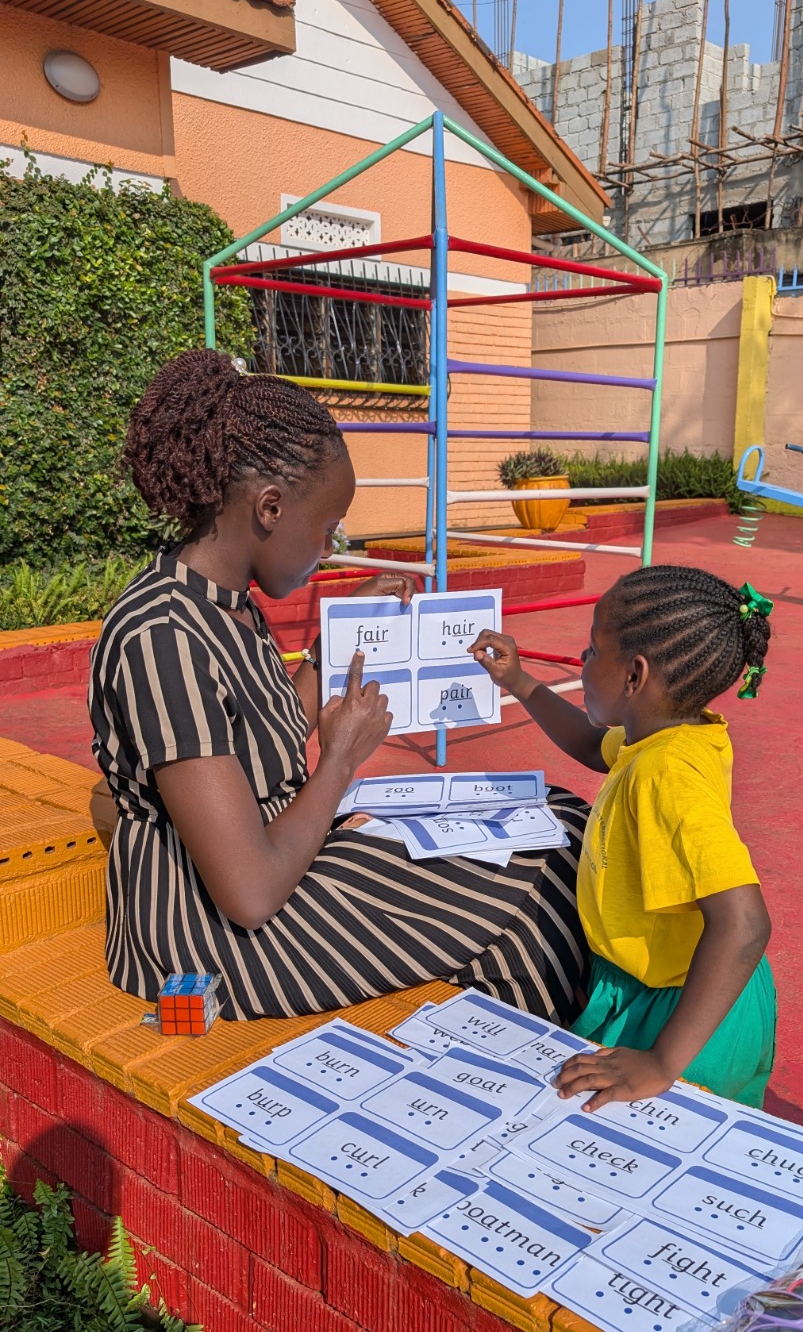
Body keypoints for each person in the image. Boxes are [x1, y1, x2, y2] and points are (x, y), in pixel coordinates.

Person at [89, 349, 589, 1021]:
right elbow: (249, 891)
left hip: (283, 849)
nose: (328, 549)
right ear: (270, 507)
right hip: (209, 930)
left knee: (560, 821)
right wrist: (342, 762)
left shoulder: (226, 602)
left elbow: (261, 743)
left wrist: (332, 648)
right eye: (326, 530)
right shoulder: (164, 635)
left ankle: (504, 1046)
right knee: (536, 876)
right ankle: (526, 1067)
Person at [469, 565, 776, 1109]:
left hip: (682, 1017)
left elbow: (745, 923)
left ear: (634, 676)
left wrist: (660, 1062)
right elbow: (594, 747)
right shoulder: (663, 734)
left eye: (593, 650)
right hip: (660, 988)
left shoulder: (668, 774)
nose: (584, 662)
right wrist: (519, 681)